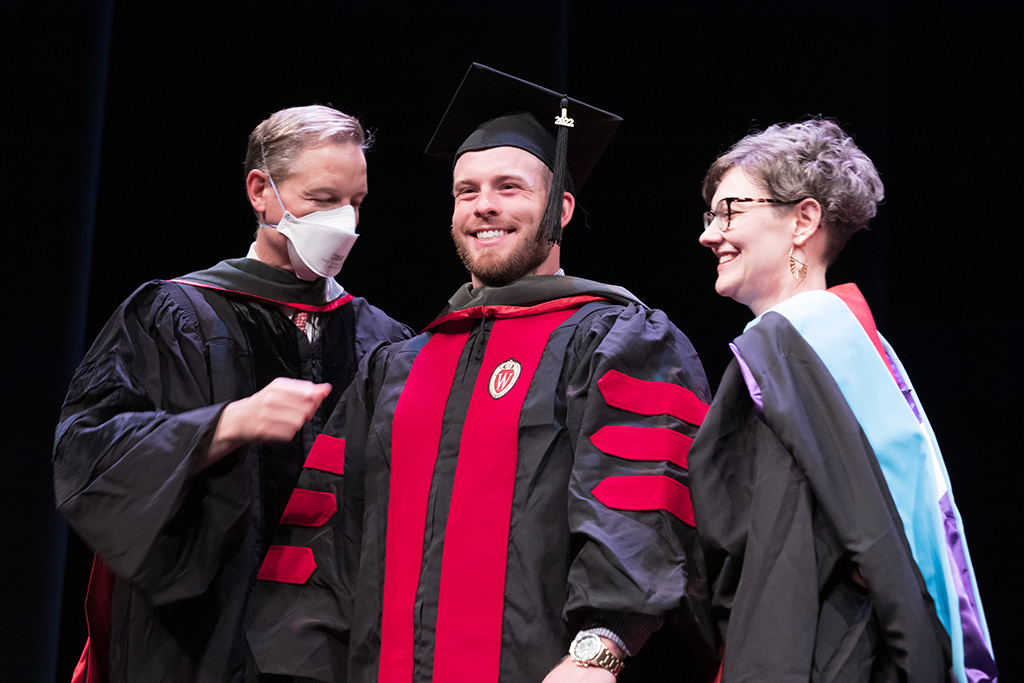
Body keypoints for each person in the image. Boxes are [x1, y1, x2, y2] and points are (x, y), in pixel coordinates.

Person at [246, 64, 718, 682]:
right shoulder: (394, 368)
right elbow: (327, 540)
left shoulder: (618, 340)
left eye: (510, 188)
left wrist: (600, 650)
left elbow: (644, 504)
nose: (484, 206)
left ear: (562, 209)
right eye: (466, 191)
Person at [53, 104, 412, 683]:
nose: (344, 222)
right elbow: (86, 451)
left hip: (335, 645)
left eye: (357, 203)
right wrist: (224, 425)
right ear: (260, 192)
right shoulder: (175, 314)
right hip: (197, 641)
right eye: (323, 200)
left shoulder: (383, 340)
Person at [688, 119, 997, 682]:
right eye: (711, 215)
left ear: (803, 220)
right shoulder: (846, 344)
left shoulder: (798, 343)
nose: (710, 234)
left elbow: (876, 541)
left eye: (730, 211)